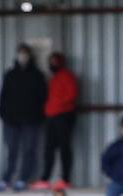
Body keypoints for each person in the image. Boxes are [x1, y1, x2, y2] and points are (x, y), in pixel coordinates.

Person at [0, 43, 47, 192]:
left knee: (29, 150)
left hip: (31, 121)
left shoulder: (37, 75)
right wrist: (4, 115)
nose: (23, 56)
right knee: (12, 150)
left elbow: (43, 97)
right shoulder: (10, 74)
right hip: (11, 121)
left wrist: (38, 116)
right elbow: (3, 97)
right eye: (21, 53)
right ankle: (7, 179)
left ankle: (23, 178)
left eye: (25, 53)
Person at [35, 52, 79, 187]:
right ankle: (45, 179)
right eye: (51, 62)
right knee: (49, 148)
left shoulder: (67, 76)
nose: (52, 64)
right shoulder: (53, 78)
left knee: (64, 148)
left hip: (63, 115)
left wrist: (59, 106)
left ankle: (65, 179)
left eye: (55, 61)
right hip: (51, 116)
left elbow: (72, 94)